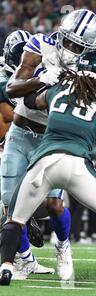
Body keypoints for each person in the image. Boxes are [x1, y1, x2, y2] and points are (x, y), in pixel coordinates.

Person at [0, 49, 96, 286]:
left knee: (14, 220)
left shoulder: (57, 89)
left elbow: (29, 101)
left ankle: (6, 267)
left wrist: (43, 80)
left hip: (43, 163)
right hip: (77, 165)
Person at [0, 30, 57, 280]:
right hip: (9, 143)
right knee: (8, 207)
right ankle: (22, 259)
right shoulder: (5, 80)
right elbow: (10, 115)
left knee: (17, 207)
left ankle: (27, 259)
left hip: (12, 144)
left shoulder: (28, 74)